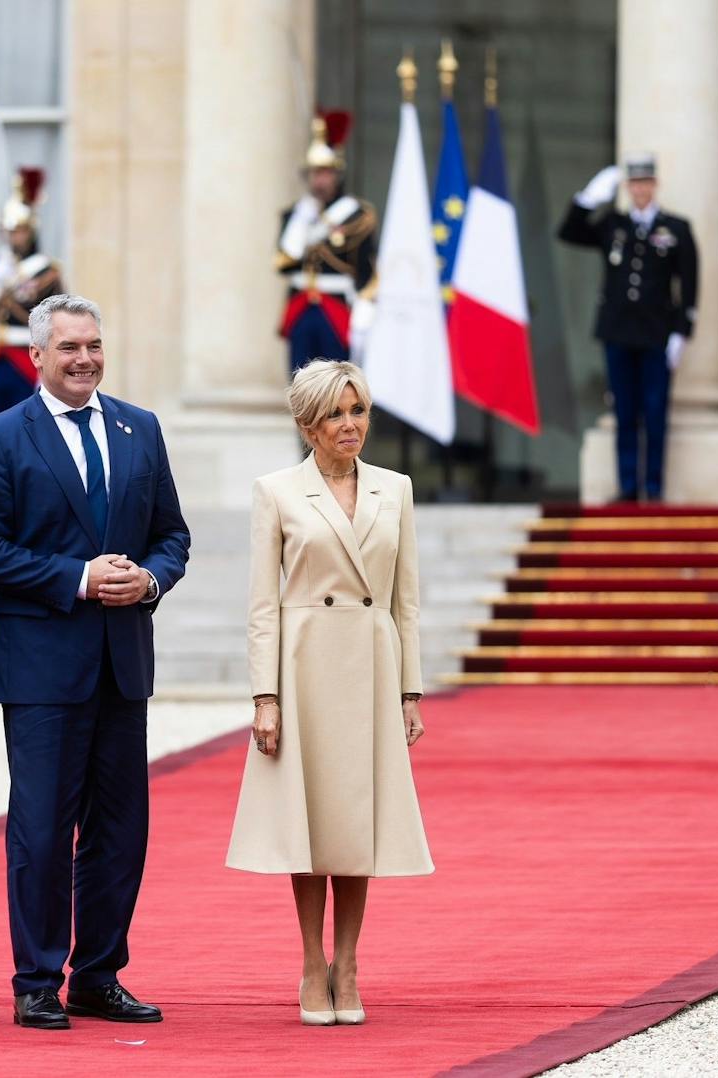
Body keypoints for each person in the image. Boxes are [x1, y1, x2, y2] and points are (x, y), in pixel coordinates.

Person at [0, 294, 191, 1030]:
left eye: (93, 344)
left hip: (123, 662)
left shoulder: (139, 428)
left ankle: (98, 974)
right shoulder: (0, 437)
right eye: (70, 348)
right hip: (42, 667)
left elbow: (172, 535)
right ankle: (36, 980)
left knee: (121, 830)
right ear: (37, 357)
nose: (86, 358)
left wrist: (150, 579)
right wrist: (79, 578)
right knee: (42, 829)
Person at [225, 359, 433, 1027]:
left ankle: (349, 962)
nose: (352, 425)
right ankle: (312, 962)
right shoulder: (277, 490)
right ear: (308, 425)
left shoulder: (395, 488)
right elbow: (263, 602)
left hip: (370, 662)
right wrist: (266, 696)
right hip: (304, 663)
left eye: (360, 410)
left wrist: (410, 689)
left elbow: (406, 600)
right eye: (338, 414)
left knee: (356, 819)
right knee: (308, 820)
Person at [557, 153, 698, 503]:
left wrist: (682, 331)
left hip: (656, 333)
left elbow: (690, 282)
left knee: (654, 412)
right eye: (634, 183)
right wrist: (587, 200)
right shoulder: (613, 225)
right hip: (618, 331)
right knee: (624, 412)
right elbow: (569, 232)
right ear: (628, 187)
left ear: (655, 184)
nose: (640, 189)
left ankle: (653, 487)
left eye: (645, 182)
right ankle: (628, 487)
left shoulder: (675, 229)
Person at [275, 110, 379, 375]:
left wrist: (365, 308)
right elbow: (284, 263)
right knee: (300, 382)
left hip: (336, 306)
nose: (319, 180)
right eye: (314, 173)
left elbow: (365, 269)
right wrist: (302, 221)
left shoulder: (356, 216)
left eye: (325, 173)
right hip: (300, 307)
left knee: (334, 381)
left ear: (337, 175)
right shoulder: (296, 215)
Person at [0, 167, 65, 420]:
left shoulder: (46, 271)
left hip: (23, 358)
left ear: (31, 232)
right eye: (9, 231)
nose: (13, 237)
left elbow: (54, 319)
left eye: (19, 231)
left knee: (24, 423)